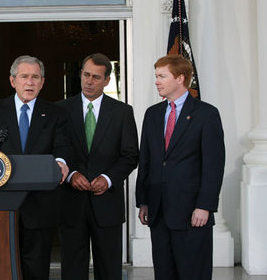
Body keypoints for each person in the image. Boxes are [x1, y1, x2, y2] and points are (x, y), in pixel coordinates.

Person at [0, 55, 70, 280]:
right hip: (0, 204)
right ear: (12, 81)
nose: (30, 82)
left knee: (37, 268)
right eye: (24, 76)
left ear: (42, 82)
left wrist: (61, 162)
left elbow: (63, 146)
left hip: (39, 205)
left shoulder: (56, 112)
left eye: (35, 77)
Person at [135, 54, 225, 280]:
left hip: (192, 212)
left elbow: (213, 165)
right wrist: (143, 201)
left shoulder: (206, 114)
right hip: (158, 210)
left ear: (180, 78)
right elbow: (146, 159)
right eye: (156, 76)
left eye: (162, 76)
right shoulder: (152, 114)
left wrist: (205, 206)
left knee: (193, 273)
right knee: (164, 273)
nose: (156, 81)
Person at [57, 53, 139, 280]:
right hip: (71, 204)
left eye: (95, 77)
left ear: (107, 80)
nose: (89, 81)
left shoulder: (123, 112)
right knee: (72, 270)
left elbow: (130, 155)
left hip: (107, 205)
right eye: (85, 75)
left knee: (110, 270)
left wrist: (109, 178)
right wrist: (70, 174)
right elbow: (54, 152)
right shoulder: (60, 110)